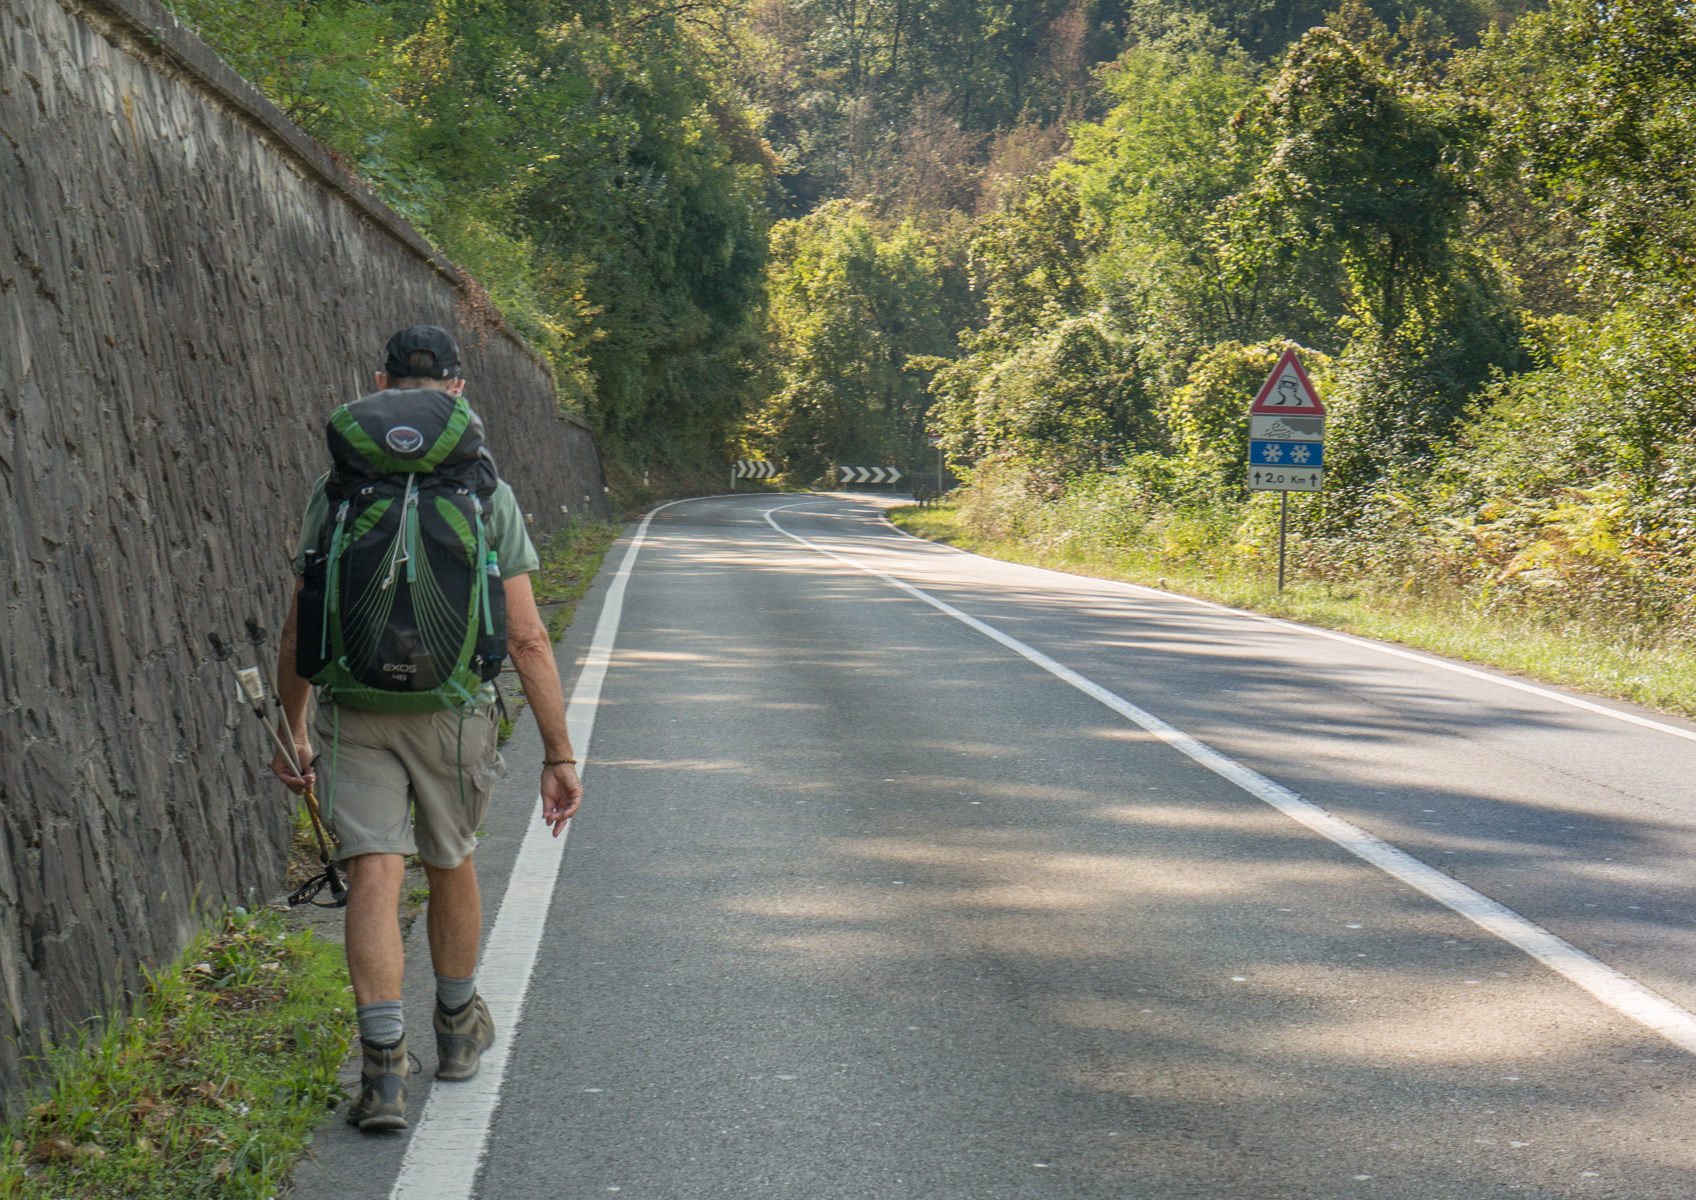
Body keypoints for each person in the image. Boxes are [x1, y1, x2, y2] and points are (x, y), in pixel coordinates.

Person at [270, 325, 584, 1131]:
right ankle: (455, 1031)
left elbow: (301, 627)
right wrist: (558, 750)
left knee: (374, 874)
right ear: (460, 388)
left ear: (378, 382)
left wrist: (292, 729)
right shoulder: (486, 492)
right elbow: (526, 636)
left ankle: (380, 1073)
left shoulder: (337, 487)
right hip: (452, 712)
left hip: (355, 707)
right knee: (451, 862)